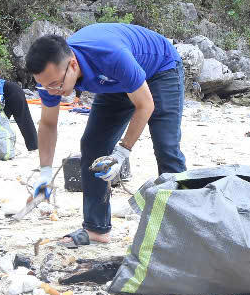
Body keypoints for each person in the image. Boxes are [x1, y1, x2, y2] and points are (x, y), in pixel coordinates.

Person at [24, 23, 187, 248]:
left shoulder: (110, 55)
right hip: (114, 82)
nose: (52, 92)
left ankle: (184, 227)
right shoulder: (52, 81)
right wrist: (44, 174)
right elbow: (49, 124)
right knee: (93, 145)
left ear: (73, 65)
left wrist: (120, 155)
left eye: (55, 85)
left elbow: (145, 105)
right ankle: (95, 229)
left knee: (166, 146)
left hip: (159, 68)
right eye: (44, 87)